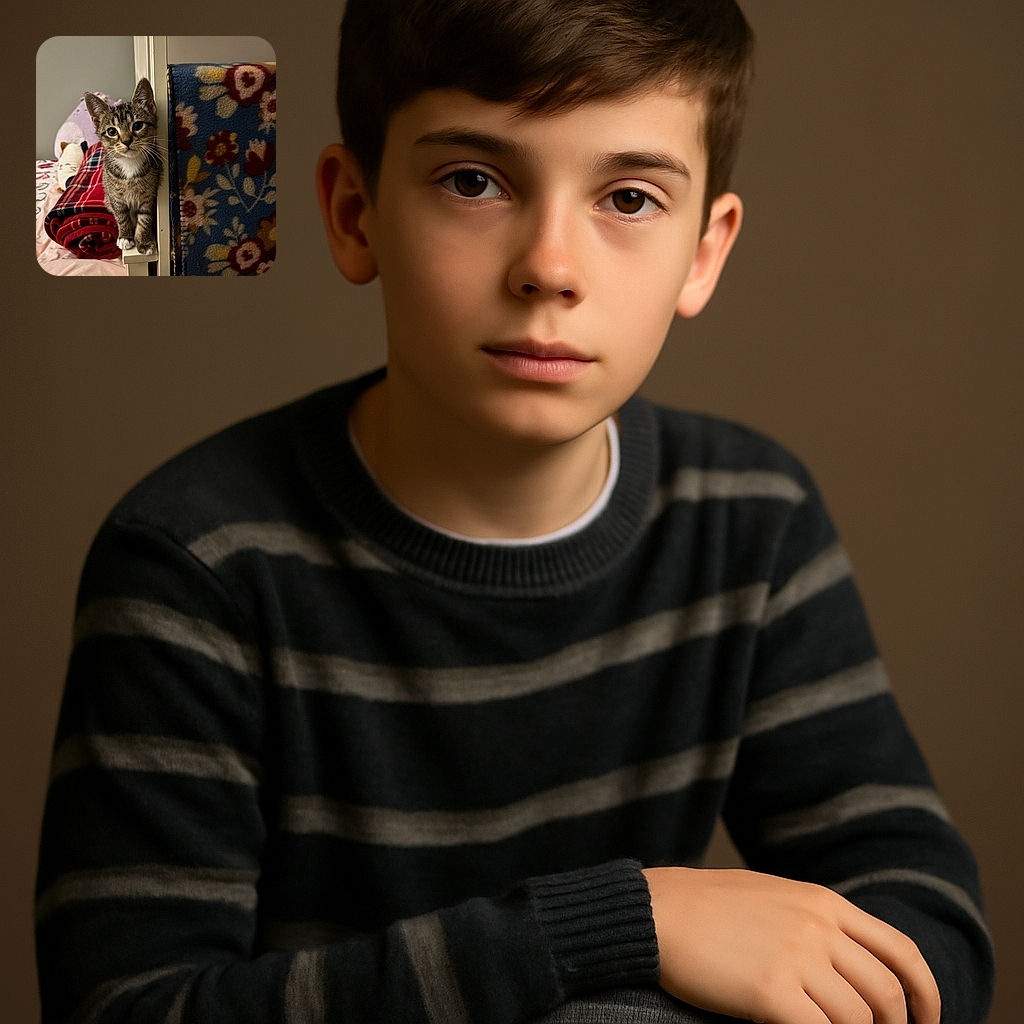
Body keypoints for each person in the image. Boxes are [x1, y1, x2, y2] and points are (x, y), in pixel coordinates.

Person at [35, 1, 995, 1022]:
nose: (549, 267)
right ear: (355, 213)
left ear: (704, 253)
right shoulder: (195, 562)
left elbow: (923, 933)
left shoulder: (752, 520)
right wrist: (625, 923)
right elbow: (128, 1007)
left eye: (627, 197)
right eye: (473, 181)